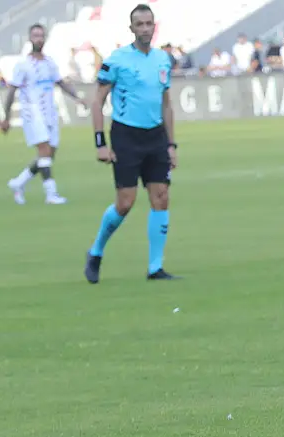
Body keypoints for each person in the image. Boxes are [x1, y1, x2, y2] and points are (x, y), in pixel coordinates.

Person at [84, 3, 178, 284]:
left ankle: (155, 268)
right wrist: (100, 143)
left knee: (161, 197)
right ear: (132, 28)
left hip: (156, 137)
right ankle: (96, 251)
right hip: (126, 136)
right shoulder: (117, 60)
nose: (146, 29)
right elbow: (97, 102)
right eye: (140, 24)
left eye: (150, 24)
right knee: (125, 203)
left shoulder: (163, 59)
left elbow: (167, 105)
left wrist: (172, 145)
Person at [0, 24, 84, 205]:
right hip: (32, 113)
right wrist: (5, 118)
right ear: (30, 39)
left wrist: (77, 97)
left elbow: (60, 83)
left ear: (44, 38)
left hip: (50, 113)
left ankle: (19, 182)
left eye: (41, 36)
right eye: (35, 36)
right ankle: (51, 194)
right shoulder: (22, 65)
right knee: (44, 151)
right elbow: (12, 90)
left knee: (48, 155)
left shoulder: (50, 63)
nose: (38, 39)